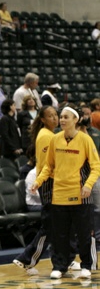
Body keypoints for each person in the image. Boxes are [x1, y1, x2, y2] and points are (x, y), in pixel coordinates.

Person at [32, 107, 100, 279]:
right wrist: (38, 181)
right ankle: (59, 266)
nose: (61, 120)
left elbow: (96, 167)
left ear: (75, 120)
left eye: (65, 117)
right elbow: (49, 166)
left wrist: (88, 185)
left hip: (81, 194)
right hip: (59, 194)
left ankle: (87, 265)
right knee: (59, 234)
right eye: (60, 117)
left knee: (84, 233)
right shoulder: (55, 140)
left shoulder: (85, 140)